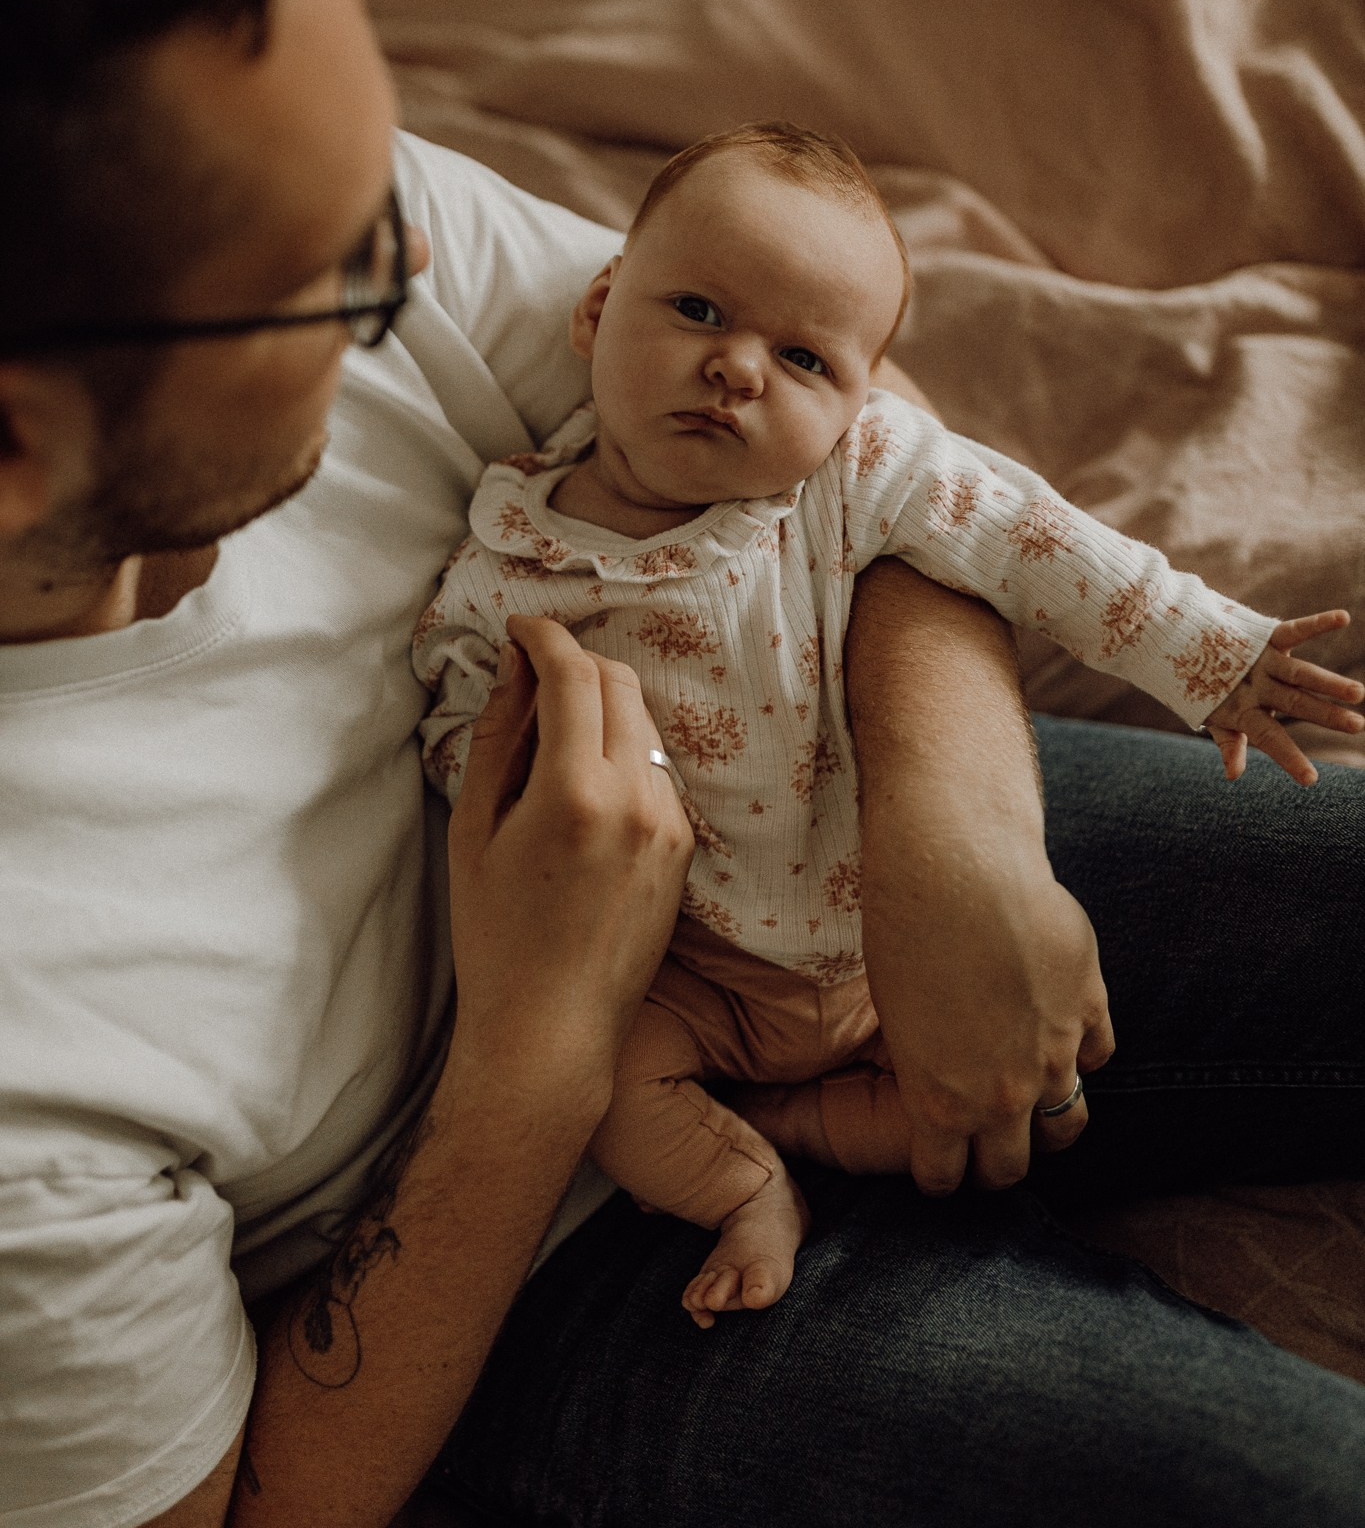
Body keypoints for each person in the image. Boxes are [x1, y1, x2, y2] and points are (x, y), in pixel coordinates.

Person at [1, 0, 1363, 1528]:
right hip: (543, 1261)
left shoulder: (265, 151)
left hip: (811, 821)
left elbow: (853, 448)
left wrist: (952, 831)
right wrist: (542, 1051)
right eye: (336, 272)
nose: (404, 274)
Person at [414, 120, 1362, 1325]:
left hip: (888, 943)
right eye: (698, 311)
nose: (738, 368)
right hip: (688, 977)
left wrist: (1212, 655)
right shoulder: (510, 558)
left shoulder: (851, 478)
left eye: (803, 358)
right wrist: (522, 779)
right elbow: (459, 719)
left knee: (971, 1101)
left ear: (859, 401)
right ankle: (752, 1180)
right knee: (609, 1086)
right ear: (597, 311)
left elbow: (1035, 540)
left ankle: (813, 1125)